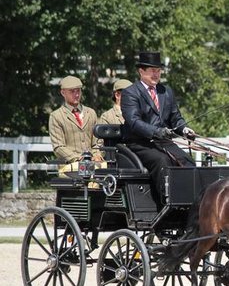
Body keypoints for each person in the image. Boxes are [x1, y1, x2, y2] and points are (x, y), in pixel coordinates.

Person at [121, 51, 196, 206]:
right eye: (152, 71)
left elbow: (175, 117)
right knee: (163, 161)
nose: (156, 74)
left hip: (163, 142)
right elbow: (134, 121)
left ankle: (191, 203)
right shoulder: (130, 93)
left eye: (158, 71)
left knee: (188, 162)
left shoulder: (166, 91)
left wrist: (184, 130)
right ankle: (168, 203)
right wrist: (156, 131)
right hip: (140, 143)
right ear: (141, 71)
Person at [49, 75, 103, 170]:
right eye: (72, 91)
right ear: (63, 92)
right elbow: (58, 147)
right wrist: (78, 158)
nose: (76, 94)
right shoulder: (56, 116)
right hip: (69, 165)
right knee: (93, 177)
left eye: (78, 90)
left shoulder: (91, 113)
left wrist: (97, 154)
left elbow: (97, 141)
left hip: (93, 164)